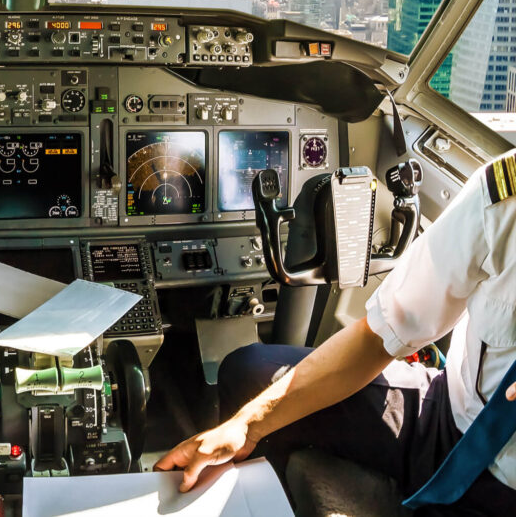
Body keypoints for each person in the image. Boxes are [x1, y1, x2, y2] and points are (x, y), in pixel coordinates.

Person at [155, 150, 516, 514]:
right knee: (252, 372)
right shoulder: (503, 198)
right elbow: (380, 335)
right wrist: (245, 427)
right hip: (449, 418)